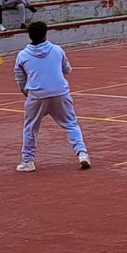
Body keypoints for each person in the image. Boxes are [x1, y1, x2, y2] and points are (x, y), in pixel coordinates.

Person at [13, 22, 90, 172]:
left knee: (31, 127)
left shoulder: (22, 55)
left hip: (37, 94)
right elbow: (67, 69)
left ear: (29, 35)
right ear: (45, 34)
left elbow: (20, 78)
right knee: (71, 123)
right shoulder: (57, 50)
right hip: (60, 92)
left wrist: (26, 91)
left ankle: (28, 160)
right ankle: (82, 153)